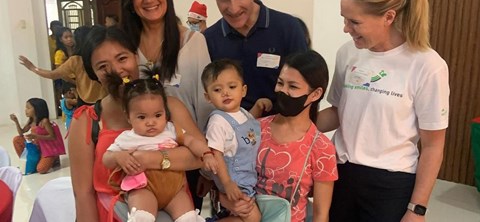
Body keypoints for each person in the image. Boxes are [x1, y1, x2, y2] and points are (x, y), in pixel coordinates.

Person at [316, 0, 450, 222]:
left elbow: (433, 145)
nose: (346, 29)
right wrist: (293, 123)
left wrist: (417, 209)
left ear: (388, 17)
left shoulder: (427, 65)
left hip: (391, 185)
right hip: (340, 174)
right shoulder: (348, 53)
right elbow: (338, 112)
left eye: (354, 22)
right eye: (344, 19)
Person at [69, 25, 206, 222]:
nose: (116, 70)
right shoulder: (86, 120)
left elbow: (199, 156)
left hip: (175, 211)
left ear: (136, 57)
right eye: (102, 66)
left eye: (122, 58)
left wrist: (149, 158)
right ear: (94, 74)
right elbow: (83, 194)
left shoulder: (169, 107)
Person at [120, 0, 214, 210]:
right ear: (130, 2)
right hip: (137, 162)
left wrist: (207, 169)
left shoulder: (193, 42)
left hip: (185, 158)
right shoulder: (125, 47)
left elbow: (205, 109)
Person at [220, 50, 338, 222]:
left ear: (316, 94)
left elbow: (321, 215)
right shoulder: (255, 128)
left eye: (293, 86)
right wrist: (229, 202)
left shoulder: (322, 149)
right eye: (280, 83)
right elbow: (224, 178)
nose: (283, 91)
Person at [104, 68, 216, 222]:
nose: (151, 122)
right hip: (144, 188)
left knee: (189, 217)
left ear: (165, 112)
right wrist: (118, 156)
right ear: (128, 117)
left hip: (175, 191)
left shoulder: (171, 129)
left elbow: (191, 141)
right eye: (142, 117)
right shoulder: (128, 138)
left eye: (158, 115)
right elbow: (106, 158)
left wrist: (206, 154)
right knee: (142, 217)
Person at [204, 0, 307, 115]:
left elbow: (305, 87)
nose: (234, 8)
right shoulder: (209, 40)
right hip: (230, 134)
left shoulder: (288, 28)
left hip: (280, 131)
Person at [201, 59, 272, 222]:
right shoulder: (218, 121)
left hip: (249, 178)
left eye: (232, 87)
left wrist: (258, 107)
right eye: (217, 90)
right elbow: (216, 154)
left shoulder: (243, 112)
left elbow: (247, 126)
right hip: (235, 181)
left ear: (243, 90)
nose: (225, 93)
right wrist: (227, 184)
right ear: (208, 97)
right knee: (252, 217)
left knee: (243, 216)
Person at [18, 26, 108, 106]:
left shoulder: (76, 60)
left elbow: (52, 75)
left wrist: (32, 68)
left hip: (85, 101)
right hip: (105, 100)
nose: (70, 40)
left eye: (72, 37)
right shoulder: (100, 56)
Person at [10, 98, 66, 174]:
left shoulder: (44, 121)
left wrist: (36, 136)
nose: (25, 110)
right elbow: (21, 133)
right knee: (17, 139)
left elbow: (52, 137)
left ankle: (54, 157)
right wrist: (16, 121)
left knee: (41, 169)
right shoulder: (31, 120)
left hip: (47, 148)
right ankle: (32, 159)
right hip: (38, 146)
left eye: (28, 108)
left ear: (37, 109)